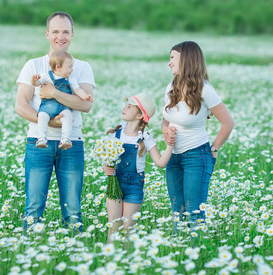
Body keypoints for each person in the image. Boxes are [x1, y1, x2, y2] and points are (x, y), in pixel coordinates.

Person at [15, 12, 95, 231]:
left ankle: (74, 253)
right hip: (37, 143)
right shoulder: (34, 65)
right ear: (47, 34)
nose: (61, 36)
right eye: (56, 31)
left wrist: (53, 93)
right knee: (33, 206)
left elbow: (85, 105)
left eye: (66, 32)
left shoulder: (82, 67)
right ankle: (28, 249)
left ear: (72, 35)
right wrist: (50, 123)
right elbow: (21, 105)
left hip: (72, 143)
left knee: (73, 210)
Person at [162, 41, 234, 230]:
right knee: (177, 211)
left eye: (172, 58)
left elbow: (228, 123)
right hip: (173, 158)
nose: (169, 63)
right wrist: (166, 133)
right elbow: (165, 120)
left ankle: (196, 253)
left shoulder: (204, 89)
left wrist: (214, 150)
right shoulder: (171, 87)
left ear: (186, 60)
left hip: (196, 156)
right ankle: (180, 254)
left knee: (194, 213)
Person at [103, 93, 174, 242]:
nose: (124, 108)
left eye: (129, 107)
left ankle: (128, 260)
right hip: (115, 182)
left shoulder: (146, 138)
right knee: (114, 227)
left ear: (140, 115)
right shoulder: (116, 135)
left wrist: (170, 146)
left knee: (129, 229)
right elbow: (106, 158)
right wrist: (106, 167)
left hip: (134, 186)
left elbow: (161, 163)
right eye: (126, 105)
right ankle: (109, 260)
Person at [31, 50, 93, 150]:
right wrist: (34, 81)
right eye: (69, 67)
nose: (72, 69)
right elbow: (37, 84)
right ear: (58, 67)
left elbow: (77, 89)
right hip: (48, 106)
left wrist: (85, 96)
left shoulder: (71, 79)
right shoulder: (46, 75)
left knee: (68, 116)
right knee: (42, 116)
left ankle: (65, 139)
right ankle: (42, 138)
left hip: (63, 107)